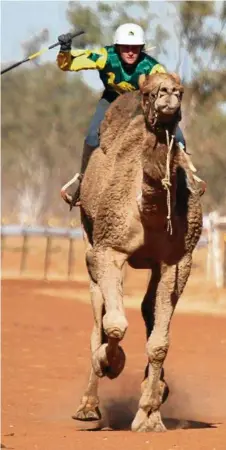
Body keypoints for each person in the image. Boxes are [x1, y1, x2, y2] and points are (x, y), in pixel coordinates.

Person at [57, 23, 199, 207]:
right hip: (111, 102)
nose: (131, 52)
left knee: (178, 137)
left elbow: (166, 84)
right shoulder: (105, 56)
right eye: (126, 47)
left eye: (135, 48)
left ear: (142, 48)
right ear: (117, 47)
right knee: (93, 136)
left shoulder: (153, 68)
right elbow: (69, 64)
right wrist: (65, 49)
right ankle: (85, 182)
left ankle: (184, 181)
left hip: (140, 105)